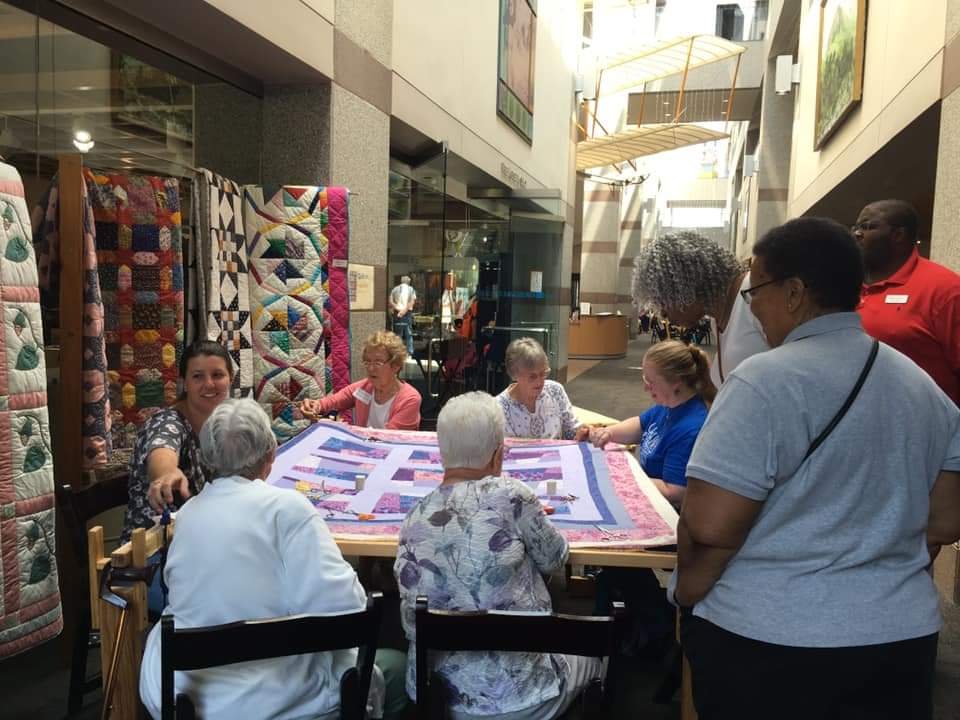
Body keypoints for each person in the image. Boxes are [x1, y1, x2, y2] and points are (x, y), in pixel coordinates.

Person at [672, 217, 960, 719]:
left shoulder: (760, 381)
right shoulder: (921, 386)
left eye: (754, 291)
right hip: (899, 643)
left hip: (769, 642)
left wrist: (686, 594)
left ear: (794, 292)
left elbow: (712, 526)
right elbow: (946, 520)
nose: (752, 306)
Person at [139, 398, 407, 720]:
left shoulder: (187, 517)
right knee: (396, 667)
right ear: (271, 455)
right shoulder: (289, 509)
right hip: (288, 700)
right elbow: (345, 606)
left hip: (193, 698)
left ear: (209, 456)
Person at [394, 392, 601, 719]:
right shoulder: (512, 495)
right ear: (498, 456)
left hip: (436, 697)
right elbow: (555, 559)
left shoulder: (413, 517)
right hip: (519, 698)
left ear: (442, 452)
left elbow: (409, 623)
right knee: (597, 658)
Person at [121, 340, 233, 543]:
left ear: (230, 379)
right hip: (151, 554)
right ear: (185, 383)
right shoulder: (167, 422)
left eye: (217, 375)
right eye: (198, 376)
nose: (209, 384)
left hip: (203, 538)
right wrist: (166, 473)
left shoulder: (224, 423)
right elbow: (162, 446)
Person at [854, 199, 960, 405]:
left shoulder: (944, 289)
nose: (857, 234)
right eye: (856, 227)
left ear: (898, 235)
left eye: (867, 227)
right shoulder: (844, 287)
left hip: (925, 430)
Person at [633, 231, 768, 386]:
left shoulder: (754, 298)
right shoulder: (716, 320)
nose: (663, 313)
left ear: (684, 284)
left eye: (663, 300)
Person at [590, 340, 714, 507]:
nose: (645, 388)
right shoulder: (668, 405)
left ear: (675, 382)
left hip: (667, 509)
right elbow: (640, 425)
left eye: (650, 382)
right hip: (650, 492)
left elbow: (675, 492)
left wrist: (624, 476)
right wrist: (610, 432)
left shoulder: (690, 429)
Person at [301, 330, 421, 431]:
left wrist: (343, 428)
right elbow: (334, 401)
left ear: (395, 366)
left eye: (378, 362)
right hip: (364, 450)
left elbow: (387, 438)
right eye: (367, 361)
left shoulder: (410, 399)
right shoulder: (365, 387)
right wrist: (316, 405)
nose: (370, 368)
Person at [496, 337, 587, 440]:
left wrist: (582, 433)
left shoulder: (555, 390)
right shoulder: (500, 408)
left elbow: (572, 430)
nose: (539, 382)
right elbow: (506, 450)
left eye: (543, 373)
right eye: (532, 376)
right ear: (515, 374)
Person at [390, 275, 417, 356]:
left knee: (398, 333)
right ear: (408, 282)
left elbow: (390, 301)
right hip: (407, 313)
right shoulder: (411, 289)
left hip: (397, 313)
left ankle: (398, 351)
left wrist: (398, 309)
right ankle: (410, 351)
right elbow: (412, 302)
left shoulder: (395, 289)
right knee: (409, 333)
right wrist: (404, 311)